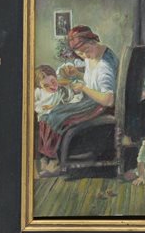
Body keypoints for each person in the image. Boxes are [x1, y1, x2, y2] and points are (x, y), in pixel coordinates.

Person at [38, 25, 118, 174]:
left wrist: (83, 88)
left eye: (85, 51)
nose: (84, 56)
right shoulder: (94, 53)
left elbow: (109, 100)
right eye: (80, 53)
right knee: (51, 113)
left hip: (100, 106)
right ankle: (46, 157)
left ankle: (54, 160)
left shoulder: (105, 65)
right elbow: (94, 79)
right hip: (91, 101)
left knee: (57, 117)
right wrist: (77, 73)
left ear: (93, 41)